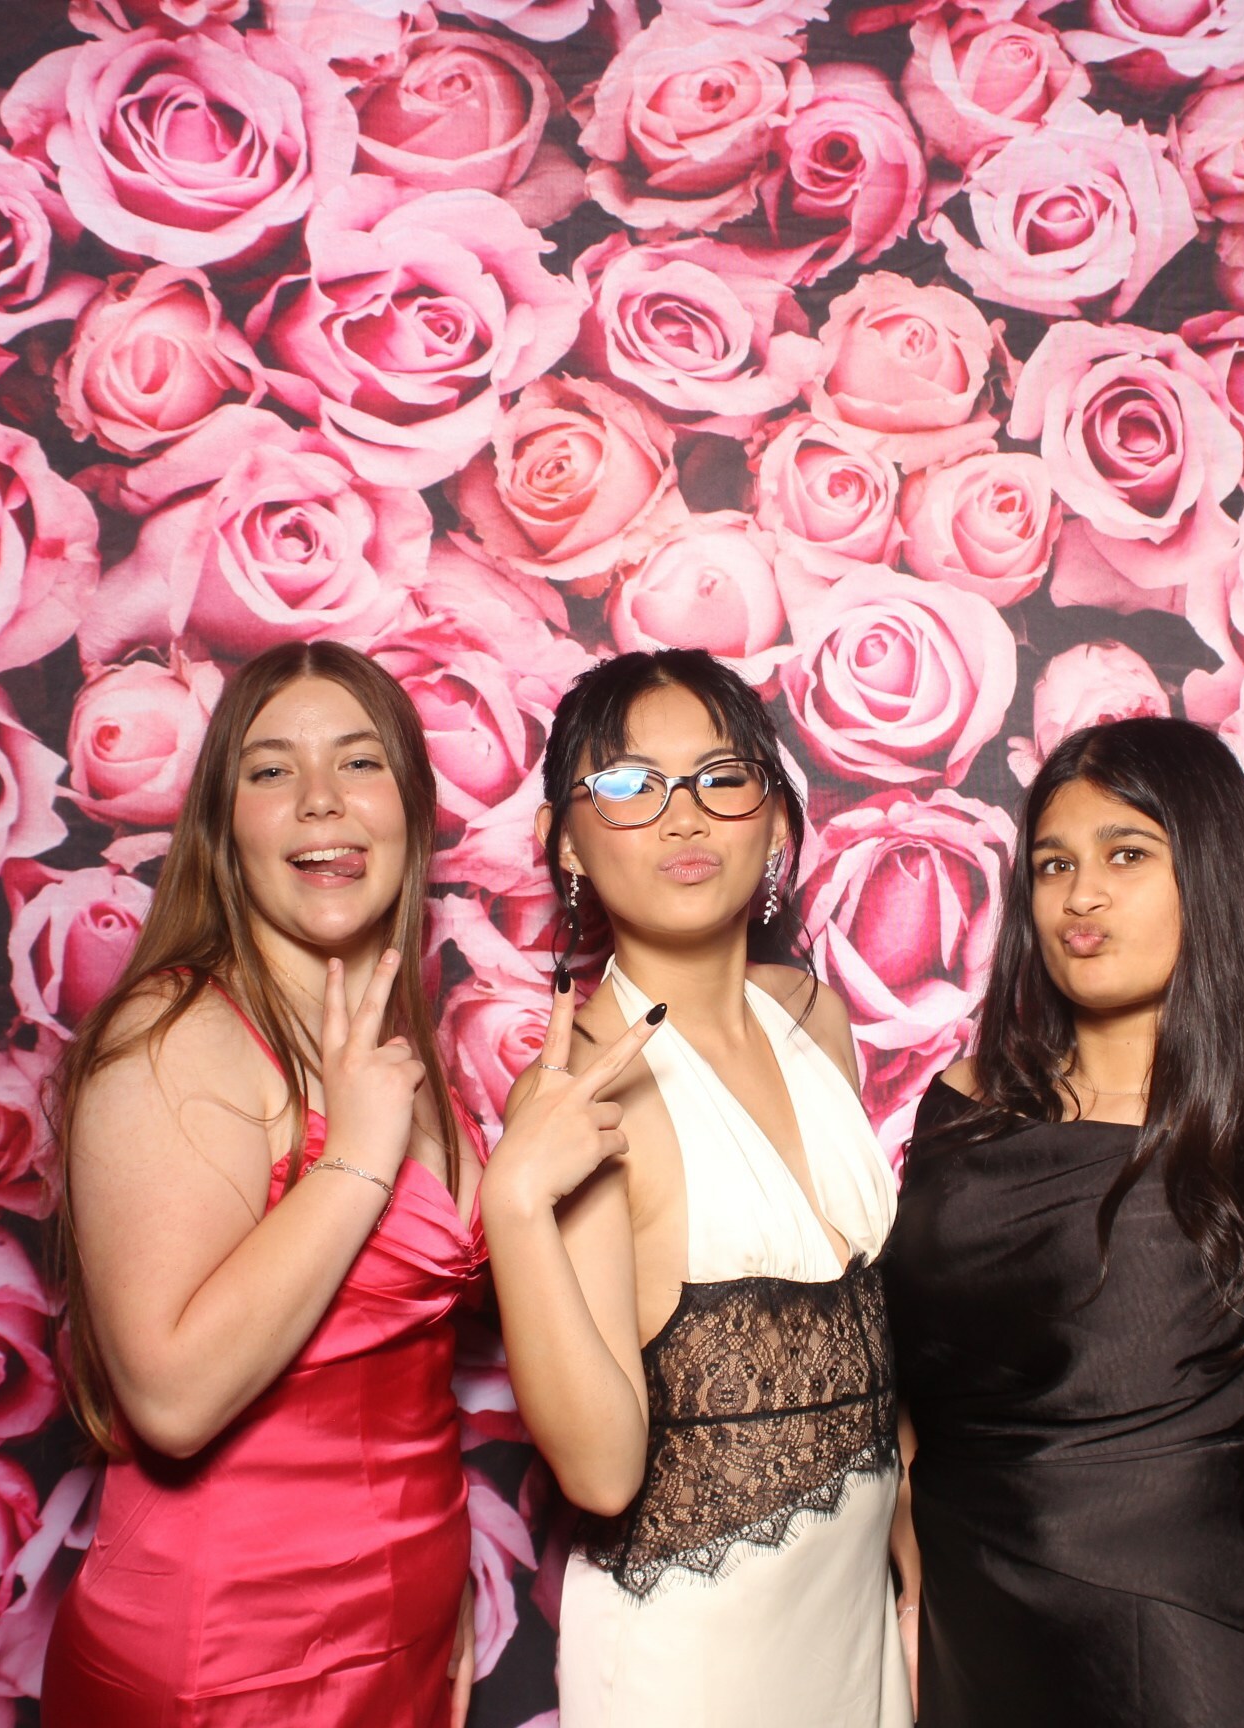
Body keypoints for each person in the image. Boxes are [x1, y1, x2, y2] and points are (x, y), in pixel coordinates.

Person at [880, 717, 1244, 1728]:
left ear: (1209, 878)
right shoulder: (962, 1109)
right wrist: (907, 1603)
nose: (1080, 895)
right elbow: (911, 1388)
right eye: (1054, 864)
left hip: (1195, 1667)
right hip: (971, 1649)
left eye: (1125, 855)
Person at [40, 642, 497, 1726]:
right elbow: (171, 1400)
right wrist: (356, 1160)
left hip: (394, 1639)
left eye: (360, 762)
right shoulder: (175, 1034)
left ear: (413, 811)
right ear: (224, 825)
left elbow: (393, 1377)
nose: (321, 799)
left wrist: (430, 1584)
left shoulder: (394, 1044)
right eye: (272, 770)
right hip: (226, 1665)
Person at [481, 649, 909, 1728]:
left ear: (775, 822)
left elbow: (874, 1353)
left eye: (722, 778)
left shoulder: (815, 1018)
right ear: (564, 842)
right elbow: (601, 1475)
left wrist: (916, 1579)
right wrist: (515, 1206)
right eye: (630, 784)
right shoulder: (581, 1090)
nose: (684, 817)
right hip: (690, 1667)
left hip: (857, 1637)